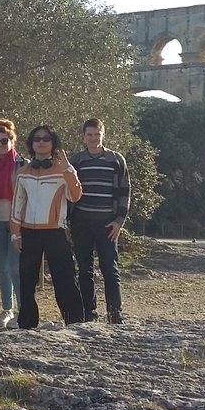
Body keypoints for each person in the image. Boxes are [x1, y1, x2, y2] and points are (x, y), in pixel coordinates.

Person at [10, 125, 84, 329]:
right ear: (31, 145)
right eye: (37, 139)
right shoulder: (23, 172)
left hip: (55, 232)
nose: (41, 142)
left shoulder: (63, 170)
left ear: (53, 144)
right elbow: (17, 204)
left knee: (65, 279)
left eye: (46, 139)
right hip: (29, 233)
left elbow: (75, 195)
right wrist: (15, 234)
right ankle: (26, 324)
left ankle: (75, 323)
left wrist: (69, 170)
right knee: (27, 281)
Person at [68, 118, 130, 325]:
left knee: (110, 269)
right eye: (89, 135)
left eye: (97, 134)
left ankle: (115, 313)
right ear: (84, 137)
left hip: (107, 224)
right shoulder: (76, 160)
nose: (93, 138)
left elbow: (124, 191)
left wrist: (119, 220)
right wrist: (68, 221)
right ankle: (89, 313)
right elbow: (68, 192)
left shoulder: (116, 160)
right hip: (81, 222)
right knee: (84, 270)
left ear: (103, 135)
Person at [0, 119, 25, 329]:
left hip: (16, 222)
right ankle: (7, 308)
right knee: (3, 266)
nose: (0, 145)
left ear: (12, 140)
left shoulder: (22, 164)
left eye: (4, 141)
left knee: (15, 266)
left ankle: (22, 309)